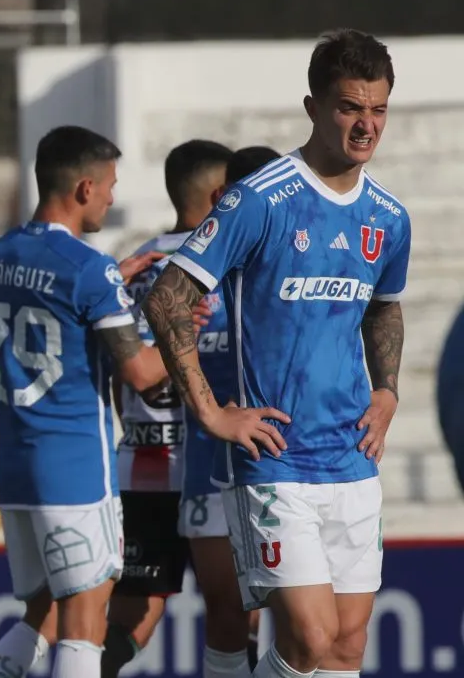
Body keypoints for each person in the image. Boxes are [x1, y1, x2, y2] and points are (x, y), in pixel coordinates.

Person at [143, 29, 407, 678]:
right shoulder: (261, 199)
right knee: (310, 639)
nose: (365, 125)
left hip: (351, 455)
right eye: (350, 107)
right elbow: (168, 297)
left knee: (347, 645)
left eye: (377, 109)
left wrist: (388, 390)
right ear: (314, 106)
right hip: (276, 460)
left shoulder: (388, 216)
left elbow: (384, 304)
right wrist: (210, 413)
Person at [0, 125, 187, 678]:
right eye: (111, 184)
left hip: (16, 470)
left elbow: (50, 301)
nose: (113, 197)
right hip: (73, 471)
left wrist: (112, 283)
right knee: (83, 620)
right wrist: (179, 330)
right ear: (84, 188)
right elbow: (142, 374)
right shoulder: (89, 269)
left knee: (40, 613)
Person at [101, 139, 233, 678]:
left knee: (136, 613)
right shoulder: (224, 264)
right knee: (232, 613)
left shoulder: (136, 266)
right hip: (210, 469)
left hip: (143, 466)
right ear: (223, 194)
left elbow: (116, 373)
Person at [176, 144, 281, 678]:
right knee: (227, 609)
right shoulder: (191, 273)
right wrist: (211, 410)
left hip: (282, 463)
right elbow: (149, 380)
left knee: (287, 617)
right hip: (208, 464)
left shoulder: (292, 265)